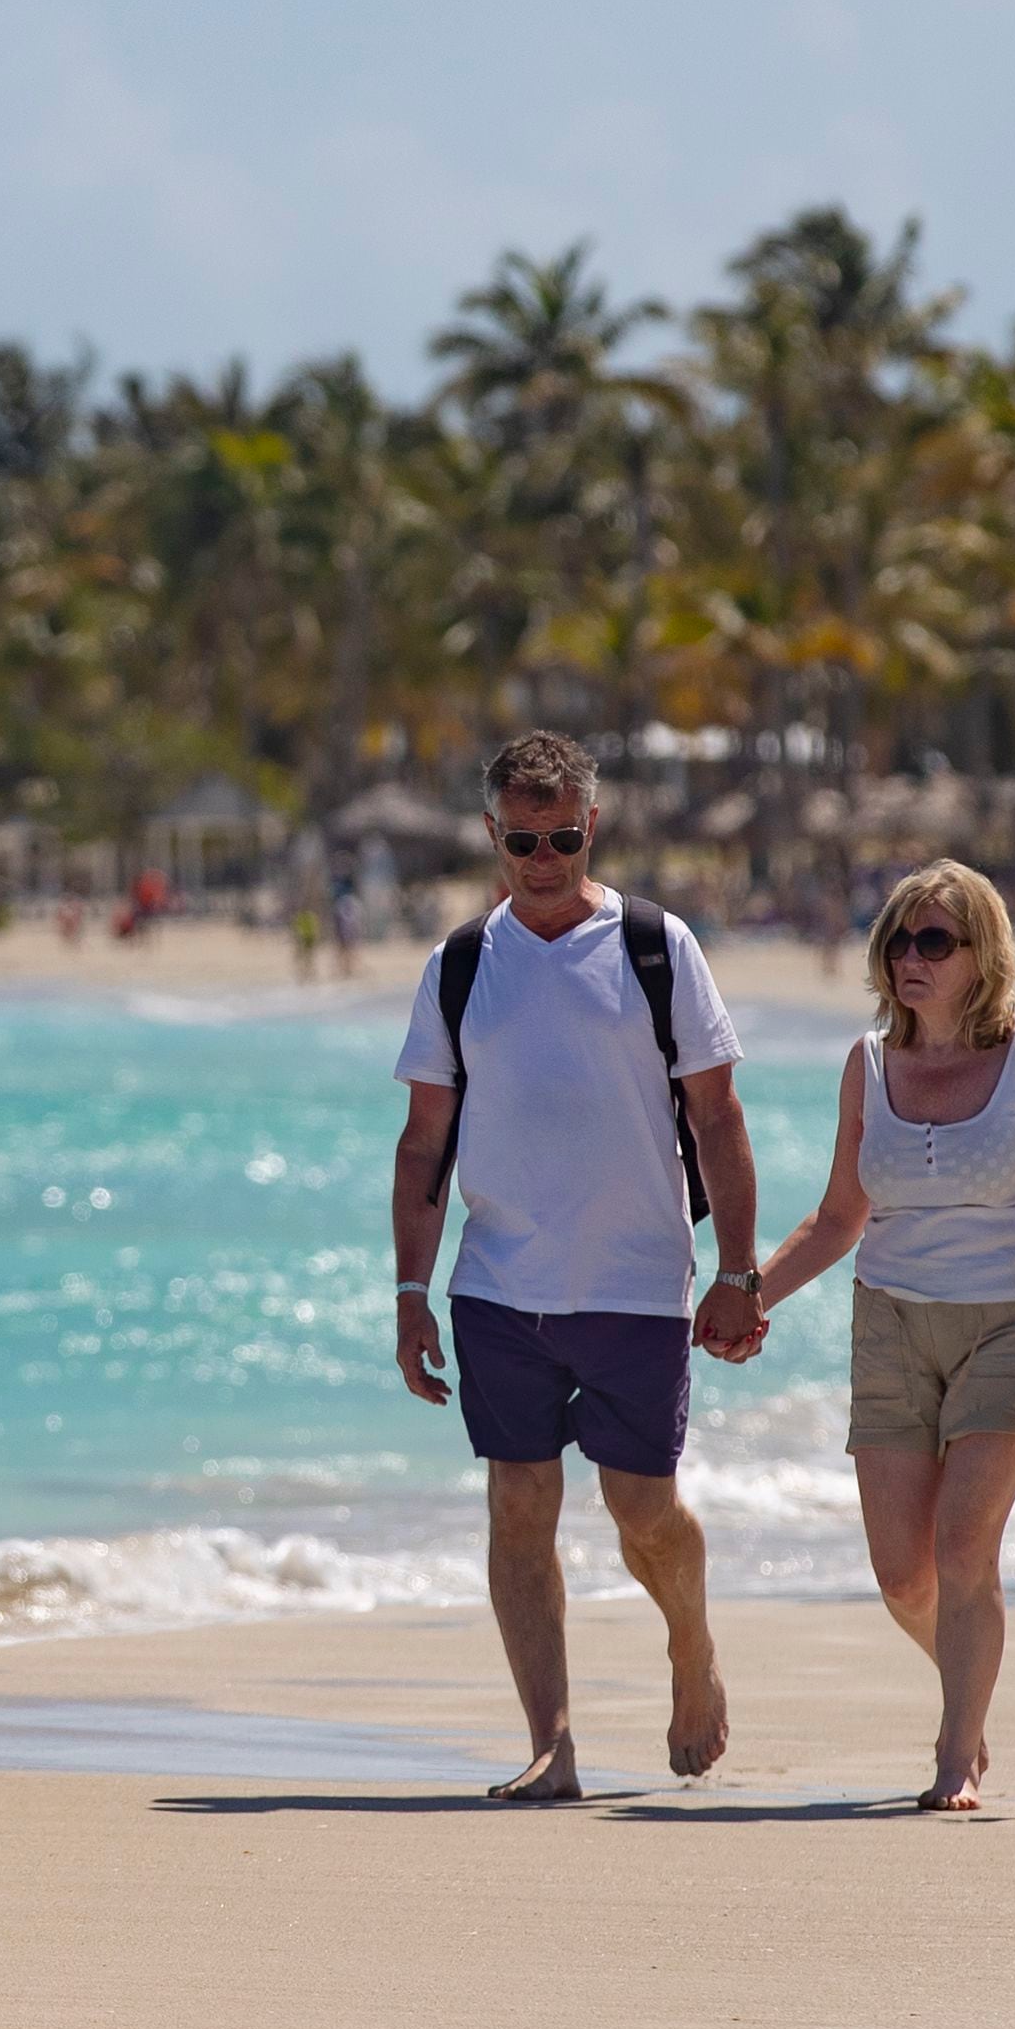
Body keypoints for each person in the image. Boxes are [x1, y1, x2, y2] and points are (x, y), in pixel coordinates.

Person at [390, 730, 762, 1799]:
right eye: (521, 839)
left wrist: (735, 1267)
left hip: (637, 1281)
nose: (542, 857)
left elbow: (718, 1117)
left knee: (642, 1507)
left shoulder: (656, 946)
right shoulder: (461, 964)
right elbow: (424, 1142)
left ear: (591, 827)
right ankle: (551, 1745)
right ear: (491, 834)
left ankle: (689, 1645)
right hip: (497, 1285)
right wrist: (410, 1293)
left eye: (561, 836)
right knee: (518, 1502)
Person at [746, 858, 1015, 1811]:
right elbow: (837, 1218)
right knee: (901, 1575)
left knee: (964, 1548)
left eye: (933, 940)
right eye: (896, 939)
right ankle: (966, 1689)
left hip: (1009, 1323)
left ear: (983, 957)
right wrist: (745, 1296)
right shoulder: (867, 1064)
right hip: (888, 1323)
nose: (908, 959)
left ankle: (951, 1754)